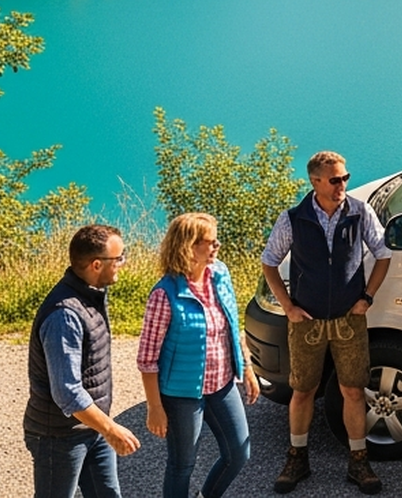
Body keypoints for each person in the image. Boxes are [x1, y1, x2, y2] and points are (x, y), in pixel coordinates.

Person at [261, 151, 393, 495]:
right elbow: (269, 262)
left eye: (346, 178)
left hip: (349, 320)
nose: (343, 185)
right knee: (302, 390)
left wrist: (368, 297)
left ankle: (359, 461)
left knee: (353, 389)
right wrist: (288, 306)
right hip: (307, 321)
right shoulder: (293, 219)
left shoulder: (359, 211)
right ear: (315, 182)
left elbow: (383, 254)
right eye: (335, 180)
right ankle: (297, 458)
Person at [138, 212, 260, 498]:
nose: (217, 246)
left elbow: (232, 324)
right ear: (188, 246)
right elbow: (147, 358)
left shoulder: (220, 274)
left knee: (239, 452)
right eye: (210, 241)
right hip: (181, 395)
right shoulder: (163, 295)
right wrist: (154, 408)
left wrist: (248, 368)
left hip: (222, 384)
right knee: (182, 465)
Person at [25, 224, 141, 498]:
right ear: (97, 264)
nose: (122, 264)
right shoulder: (64, 316)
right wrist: (111, 429)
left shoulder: (90, 296)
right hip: (59, 437)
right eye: (119, 258)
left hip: (92, 426)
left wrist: (103, 427)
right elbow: (67, 392)